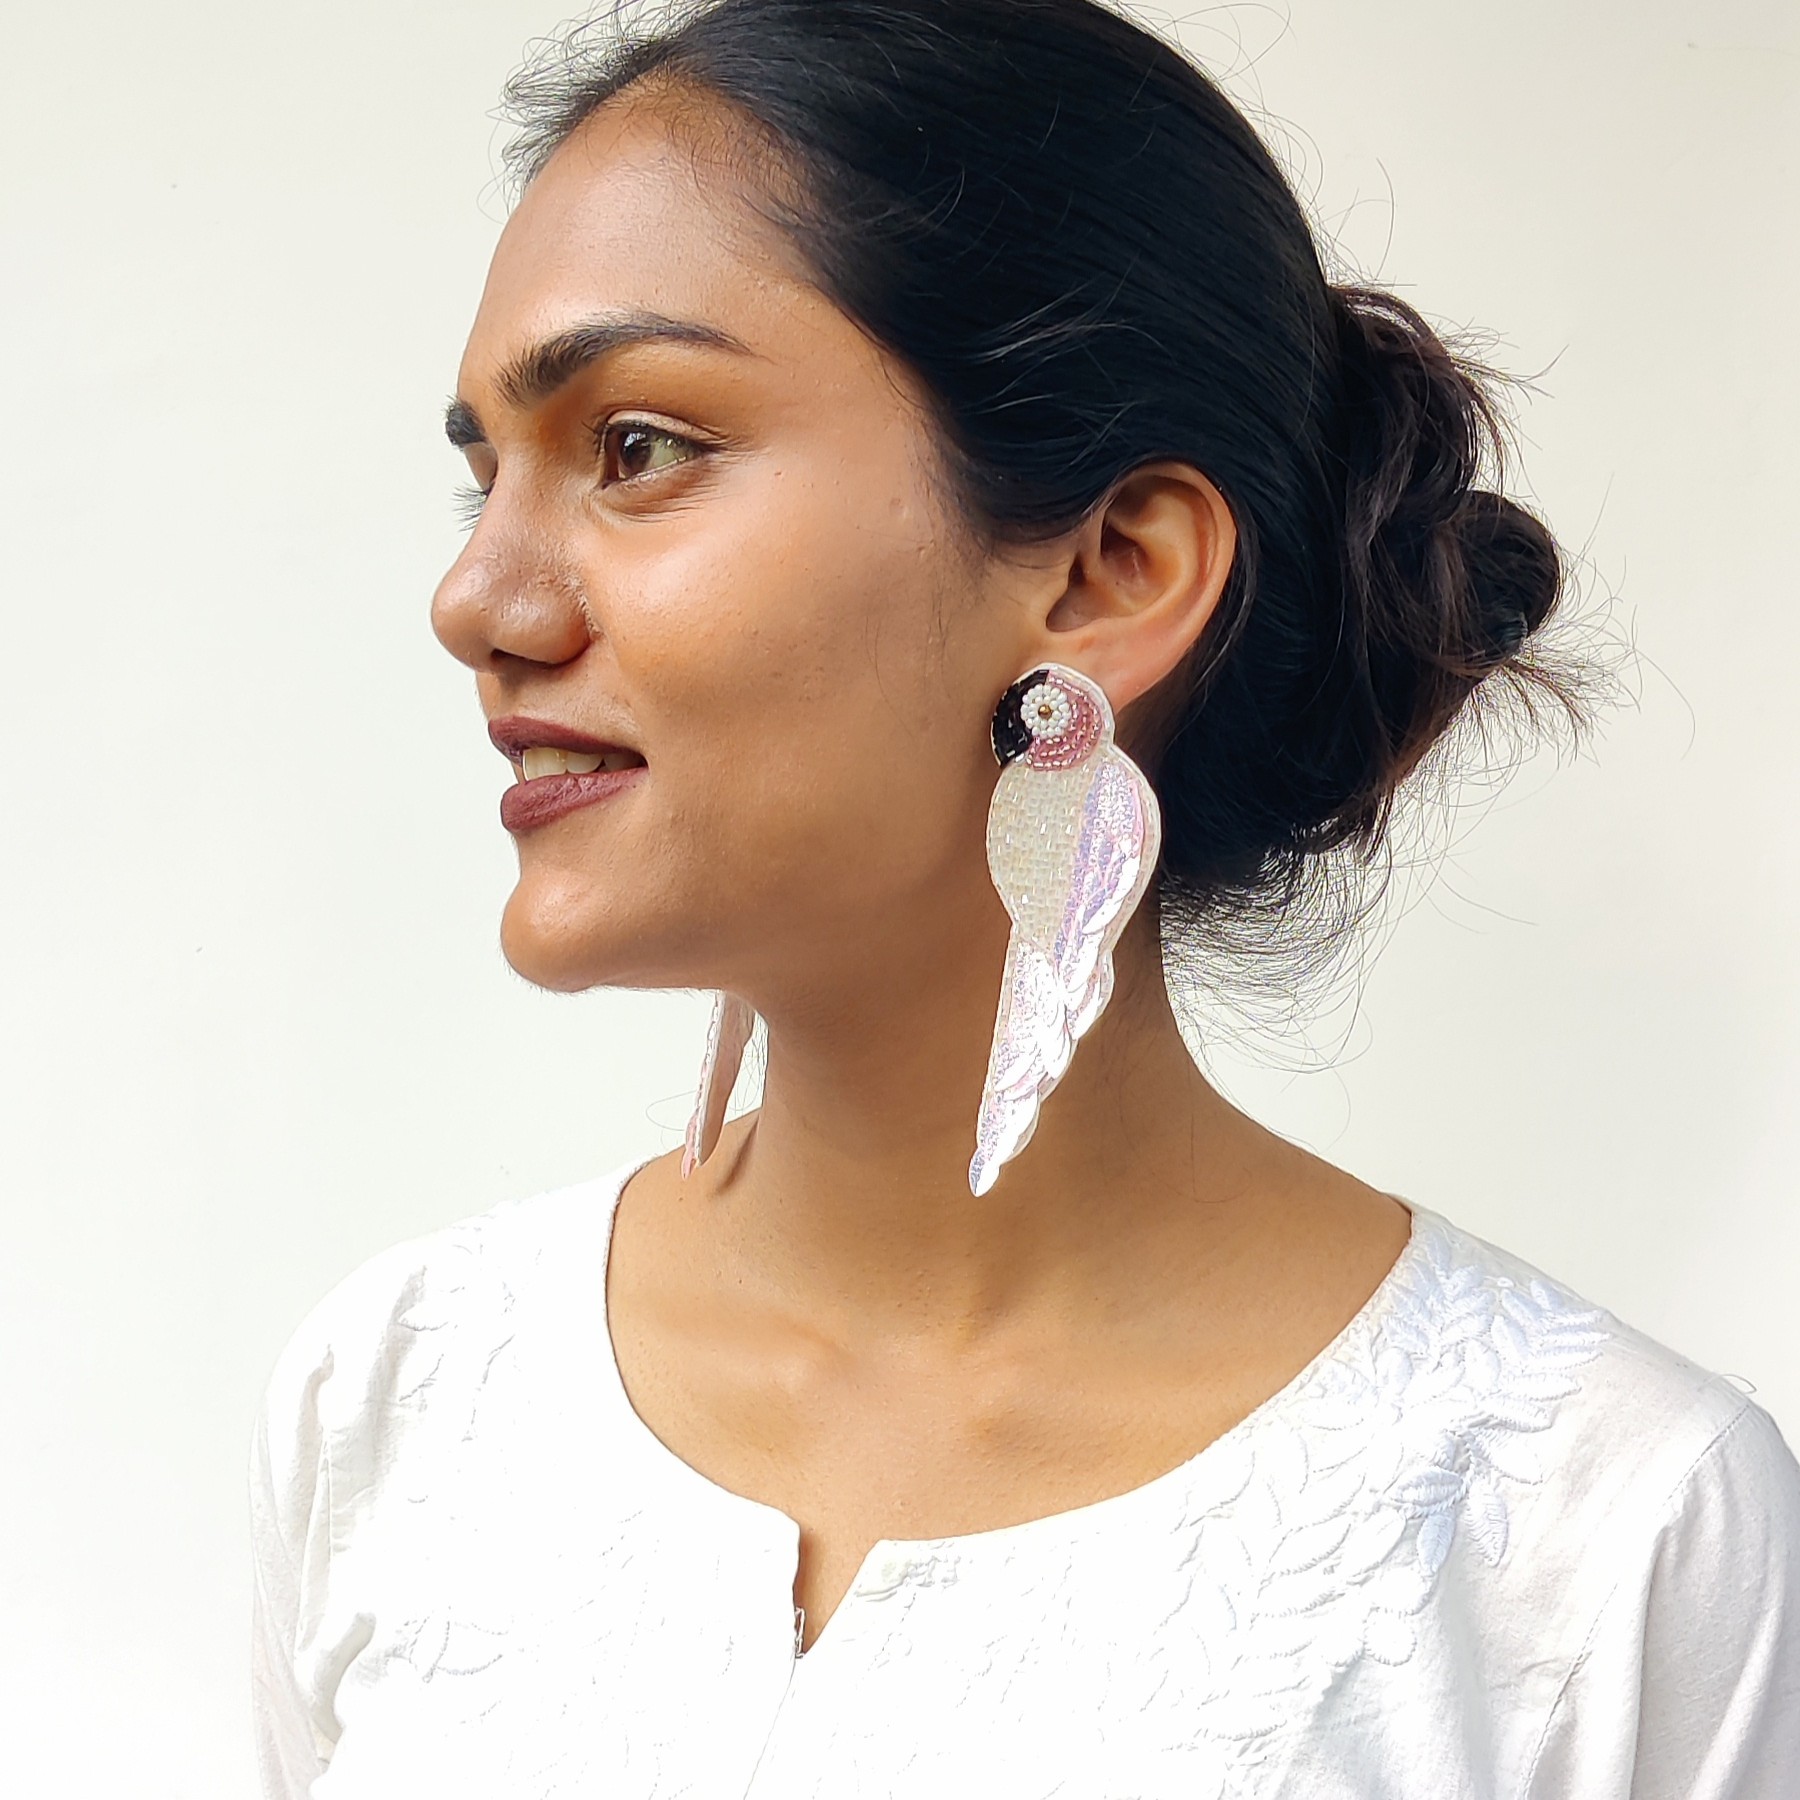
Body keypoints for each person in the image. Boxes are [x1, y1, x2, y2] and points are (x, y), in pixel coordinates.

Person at [247, 1, 1800, 1794]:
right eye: (483, 469)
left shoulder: (1604, 1545)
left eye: (640, 446)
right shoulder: (397, 1400)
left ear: (1108, 573)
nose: (477, 597)